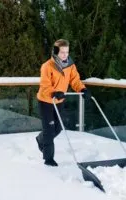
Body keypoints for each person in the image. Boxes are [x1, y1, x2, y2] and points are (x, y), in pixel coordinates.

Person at [36, 39, 91, 167]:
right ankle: (48, 159)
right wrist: (54, 92)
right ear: (55, 52)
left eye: (67, 52)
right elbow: (45, 84)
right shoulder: (47, 66)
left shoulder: (70, 66)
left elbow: (75, 80)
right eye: (62, 52)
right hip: (46, 101)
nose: (65, 55)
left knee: (58, 128)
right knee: (49, 130)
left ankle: (41, 139)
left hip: (59, 100)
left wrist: (82, 89)